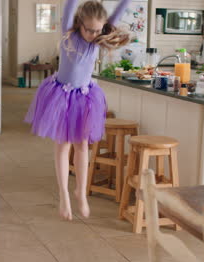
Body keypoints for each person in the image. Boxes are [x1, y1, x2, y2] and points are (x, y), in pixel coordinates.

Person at [25, 0, 131, 220]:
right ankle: (64, 195)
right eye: (89, 30)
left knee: (82, 145)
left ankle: (80, 193)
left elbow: (118, 12)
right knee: (62, 146)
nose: (93, 34)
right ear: (79, 24)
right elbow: (69, 5)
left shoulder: (97, 40)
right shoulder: (68, 34)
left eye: (97, 30)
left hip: (84, 97)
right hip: (61, 97)